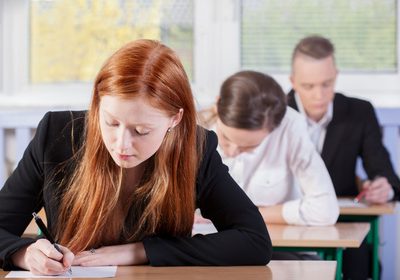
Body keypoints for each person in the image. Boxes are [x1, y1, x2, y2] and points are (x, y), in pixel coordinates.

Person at [0, 39, 272, 275]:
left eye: (141, 131)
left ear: (174, 119)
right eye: (111, 122)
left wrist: (139, 252)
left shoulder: (196, 150)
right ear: (97, 103)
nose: (121, 144)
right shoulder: (57, 135)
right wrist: (22, 254)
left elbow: (254, 241)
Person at [287, 35, 400, 279]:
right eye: (309, 86)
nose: (319, 95)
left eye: (327, 84)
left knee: (359, 263)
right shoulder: (274, 112)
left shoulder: (360, 112)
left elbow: (386, 174)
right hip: (286, 223)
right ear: (293, 82)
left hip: (342, 224)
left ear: (336, 76)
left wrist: (385, 188)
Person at [198, 70, 339, 227]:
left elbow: (325, 210)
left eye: (249, 147)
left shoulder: (290, 126)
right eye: (225, 138)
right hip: (208, 243)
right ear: (217, 106)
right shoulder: (194, 128)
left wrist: (247, 215)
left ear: (275, 128)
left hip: (275, 245)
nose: (231, 152)